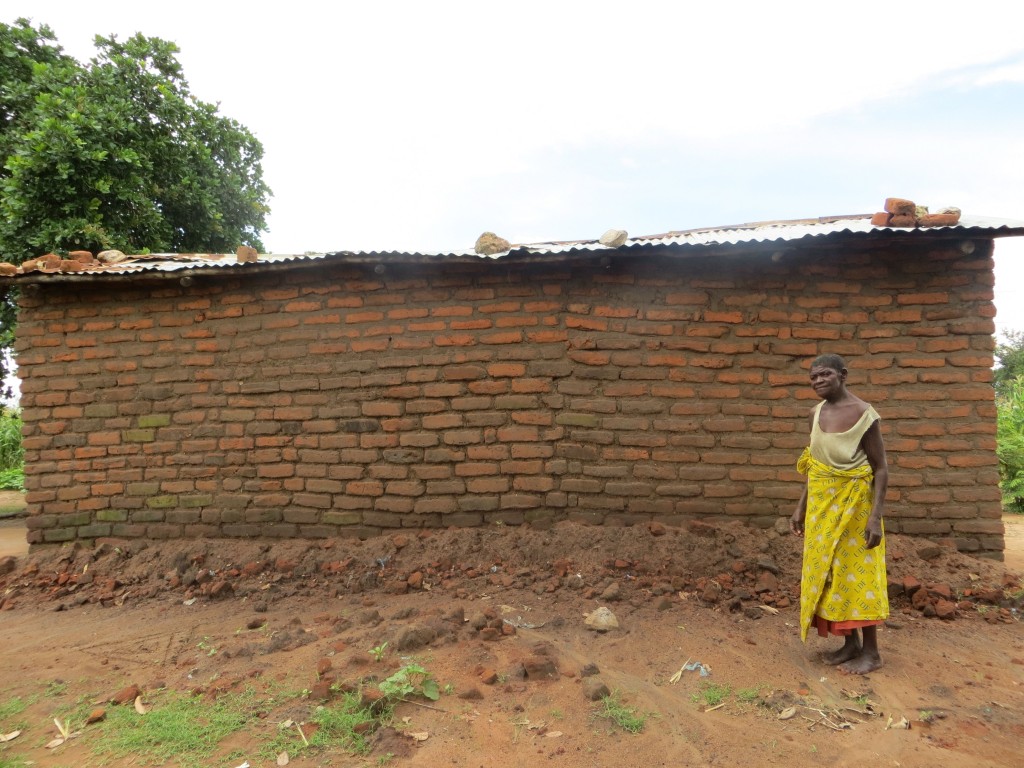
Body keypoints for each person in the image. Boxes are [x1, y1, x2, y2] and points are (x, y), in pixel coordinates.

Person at [790, 353, 889, 675]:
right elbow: (815, 466)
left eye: (824, 375)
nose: (818, 381)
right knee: (831, 573)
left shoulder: (864, 415)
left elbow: (882, 469)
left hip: (855, 506)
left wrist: (875, 518)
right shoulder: (814, 414)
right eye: (813, 377)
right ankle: (850, 644)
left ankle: (871, 652)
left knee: (857, 574)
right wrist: (800, 507)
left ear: (843, 375)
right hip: (821, 506)